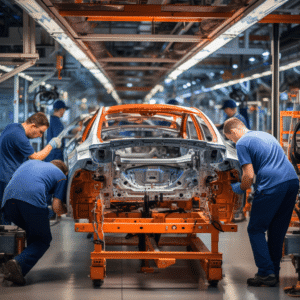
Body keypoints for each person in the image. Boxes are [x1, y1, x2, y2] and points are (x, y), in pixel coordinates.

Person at [224, 117, 299, 287]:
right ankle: (273, 273)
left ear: (235, 132)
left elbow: (248, 176)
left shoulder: (242, 142)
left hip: (272, 185)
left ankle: (266, 272)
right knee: (276, 230)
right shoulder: (265, 135)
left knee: (255, 228)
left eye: (230, 138)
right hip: (292, 182)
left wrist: (240, 188)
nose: (233, 141)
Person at [1, 159, 68, 285]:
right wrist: (69, 210)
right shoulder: (61, 176)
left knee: (34, 234)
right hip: (30, 200)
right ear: (64, 171)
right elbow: (57, 207)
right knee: (42, 239)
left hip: (8, 201)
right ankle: (17, 263)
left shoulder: (31, 163)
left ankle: (14, 271)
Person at [0, 112, 62, 224]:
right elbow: (36, 157)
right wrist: (51, 145)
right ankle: (7, 240)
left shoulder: (12, 126)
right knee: (6, 217)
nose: (40, 136)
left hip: (4, 175)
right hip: (6, 178)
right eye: (40, 132)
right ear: (33, 125)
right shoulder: (19, 136)